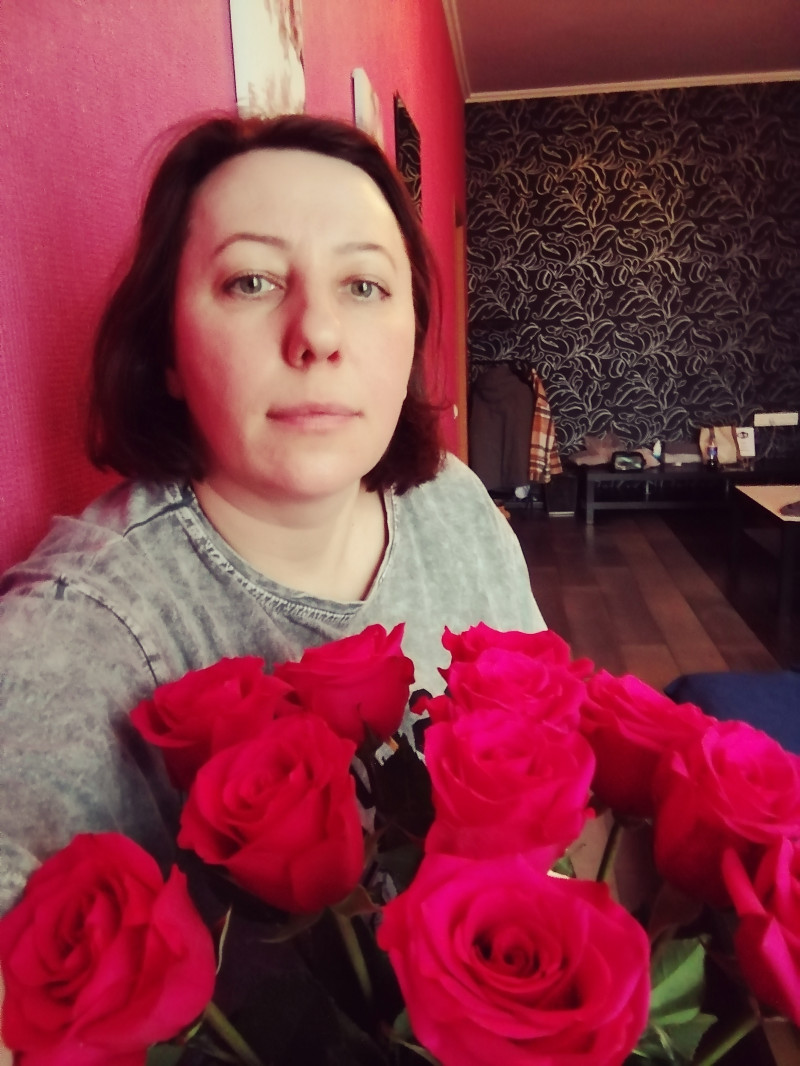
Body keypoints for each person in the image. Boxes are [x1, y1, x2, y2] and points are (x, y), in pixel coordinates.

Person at [0, 113, 545, 917]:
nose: (318, 333)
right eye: (251, 281)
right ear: (166, 350)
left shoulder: (454, 502)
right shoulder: (76, 637)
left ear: (411, 334)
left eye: (364, 286)